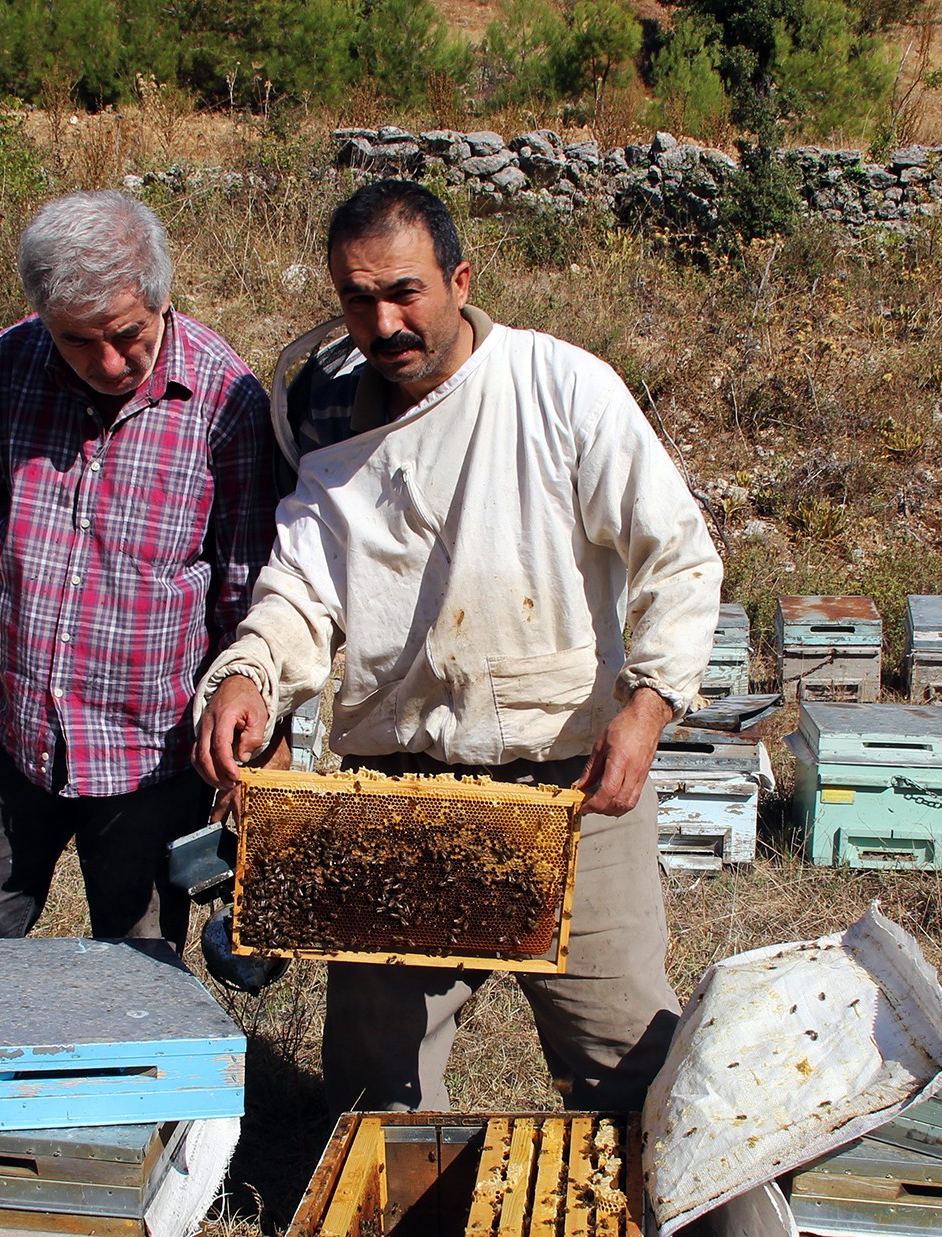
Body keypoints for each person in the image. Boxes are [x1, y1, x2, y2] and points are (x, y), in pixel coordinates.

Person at [193, 179, 721, 1114]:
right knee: (376, 1085)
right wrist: (248, 673)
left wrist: (646, 709)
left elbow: (676, 556)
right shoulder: (326, 417)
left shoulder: (560, 387)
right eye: (359, 300)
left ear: (459, 277)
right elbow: (301, 589)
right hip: (399, 786)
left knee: (625, 1062)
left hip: (568, 784)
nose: (384, 321)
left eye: (406, 292)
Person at [0, 190, 276, 949]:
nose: (110, 363)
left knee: (138, 985)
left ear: (161, 295)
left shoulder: (227, 399)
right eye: (79, 342)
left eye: (129, 335)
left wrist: (258, 748)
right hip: (10, 744)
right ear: (44, 318)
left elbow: (251, 596)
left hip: (154, 759)